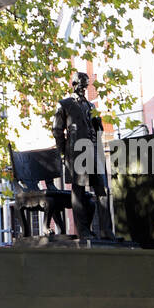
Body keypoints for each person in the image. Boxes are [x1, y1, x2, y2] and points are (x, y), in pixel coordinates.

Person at [52, 73, 114, 239]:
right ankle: (83, 231)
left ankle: (106, 230)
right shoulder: (64, 104)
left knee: (102, 190)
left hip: (94, 151)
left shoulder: (90, 106)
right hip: (76, 152)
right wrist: (64, 152)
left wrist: (98, 125)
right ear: (74, 84)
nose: (84, 88)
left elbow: (98, 130)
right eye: (82, 85)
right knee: (78, 190)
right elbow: (57, 130)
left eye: (86, 85)